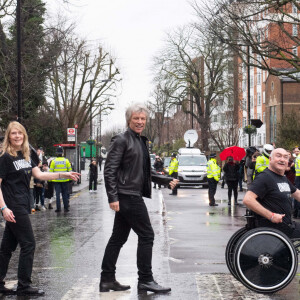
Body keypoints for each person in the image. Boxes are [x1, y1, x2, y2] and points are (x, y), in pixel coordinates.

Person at [100, 103, 178, 294]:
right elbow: (109, 170)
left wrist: (166, 179)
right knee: (147, 235)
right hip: (127, 196)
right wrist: (113, 197)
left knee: (118, 238)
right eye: (136, 118)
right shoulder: (121, 140)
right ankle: (145, 279)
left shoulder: (140, 141)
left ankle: (107, 279)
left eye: (143, 119)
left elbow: (145, 171)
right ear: (129, 120)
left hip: (130, 195)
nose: (140, 122)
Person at [0, 121, 80, 296]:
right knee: (28, 244)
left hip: (22, 203)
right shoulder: (5, 157)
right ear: (8, 136)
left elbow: (40, 174)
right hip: (13, 205)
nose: (17, 136)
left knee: (7, 247)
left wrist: (63, 174)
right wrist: (4, 208)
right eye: (13, 133)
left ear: (24, 136)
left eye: (20, 133)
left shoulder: (26, 155)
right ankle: (24, 286)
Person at [243, 148, 300, 238]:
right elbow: (248, 199)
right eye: (278, 156)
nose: (282, 159)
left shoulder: (282, 178)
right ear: (270, 159)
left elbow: (297, 193)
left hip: (287, 226)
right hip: (275, 230)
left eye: (285, 157)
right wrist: (271, 216)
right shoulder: (265, 177)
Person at [49, 146, 72, 212]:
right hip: (65, 180)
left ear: (56, 153)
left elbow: (51, 172)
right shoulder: (66, 161)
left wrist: (50, 180)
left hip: (56, 180)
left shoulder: (53, 161)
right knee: (65, 194)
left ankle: (58, 208)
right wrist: (70, 179)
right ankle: (66, 207)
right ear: (62, 153)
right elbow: (70, 171)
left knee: (57, 195)